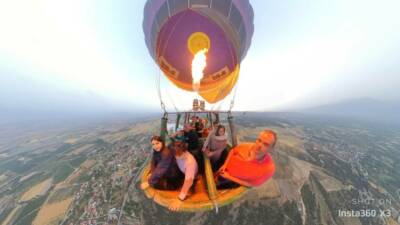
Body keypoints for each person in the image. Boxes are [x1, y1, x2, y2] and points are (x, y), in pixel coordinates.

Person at [168, 141, 198, 211]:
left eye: (177, 154)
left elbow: (189, 181)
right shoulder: (177, 155)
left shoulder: (189, 162)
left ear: (183, 151)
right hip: (182, 171)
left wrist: (180, 199)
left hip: (192, 177)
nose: (176, 156)